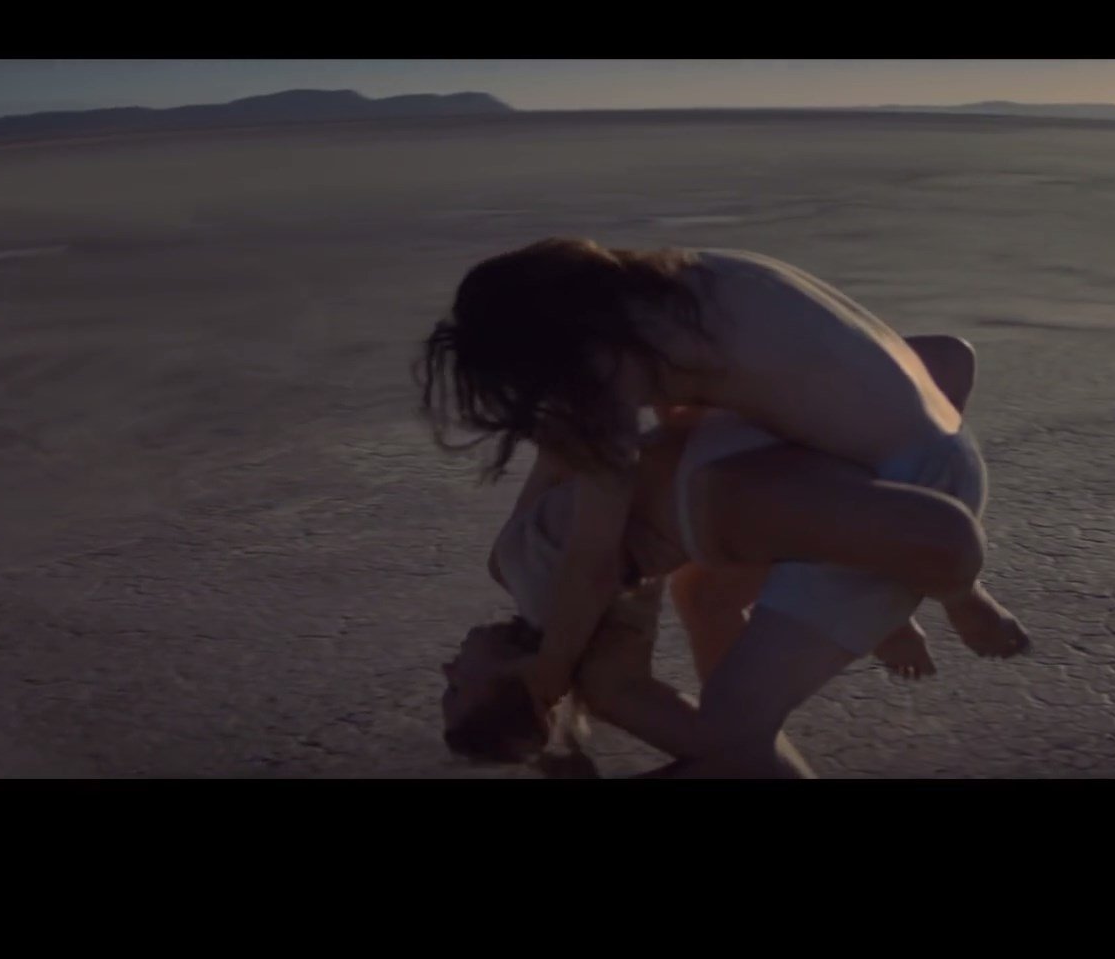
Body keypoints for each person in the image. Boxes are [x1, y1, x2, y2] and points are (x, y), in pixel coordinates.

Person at [420, 239, 1029, 777]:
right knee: (703, 595)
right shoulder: (681, 285)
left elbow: (597, 564)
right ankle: (890, 585)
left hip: (908, 483)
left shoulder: (607, 370)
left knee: (731, 742)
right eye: (454, 689)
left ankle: (914, 588)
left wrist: (551, 672)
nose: (445, 670)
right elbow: (950, 358)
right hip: (877, 446)